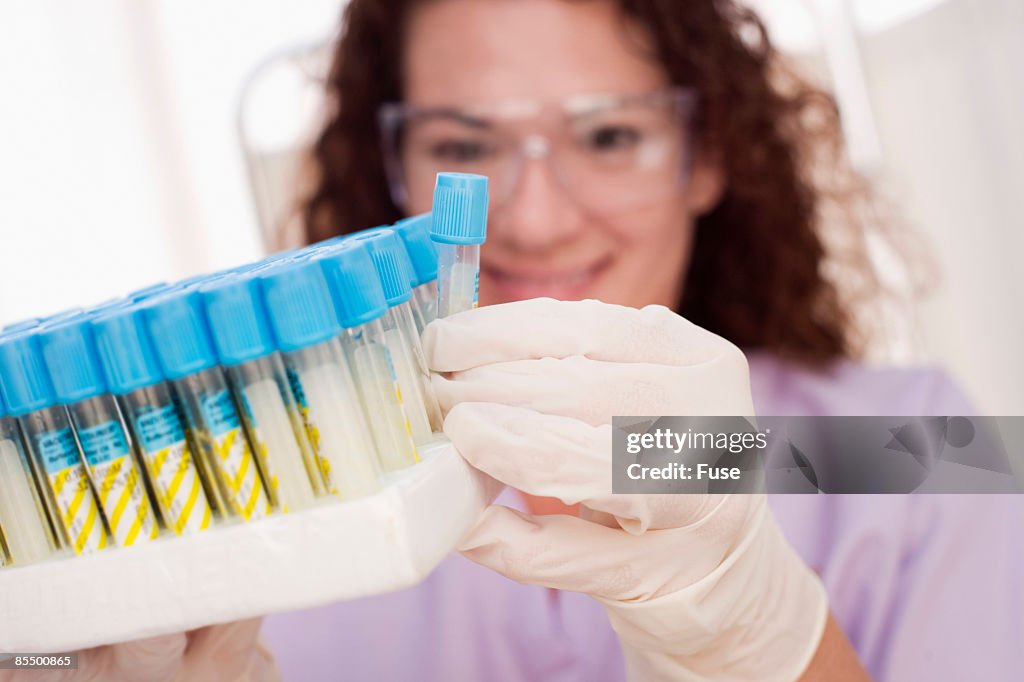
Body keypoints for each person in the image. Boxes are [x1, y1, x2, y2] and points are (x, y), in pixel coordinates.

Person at [263, 0, 1021, 679]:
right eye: (463, 148)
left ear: (709, 153)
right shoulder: (306, 498)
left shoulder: (918, 448)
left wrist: (763, 641)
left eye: (608, 134)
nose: (535, 220)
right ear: (391, 166)